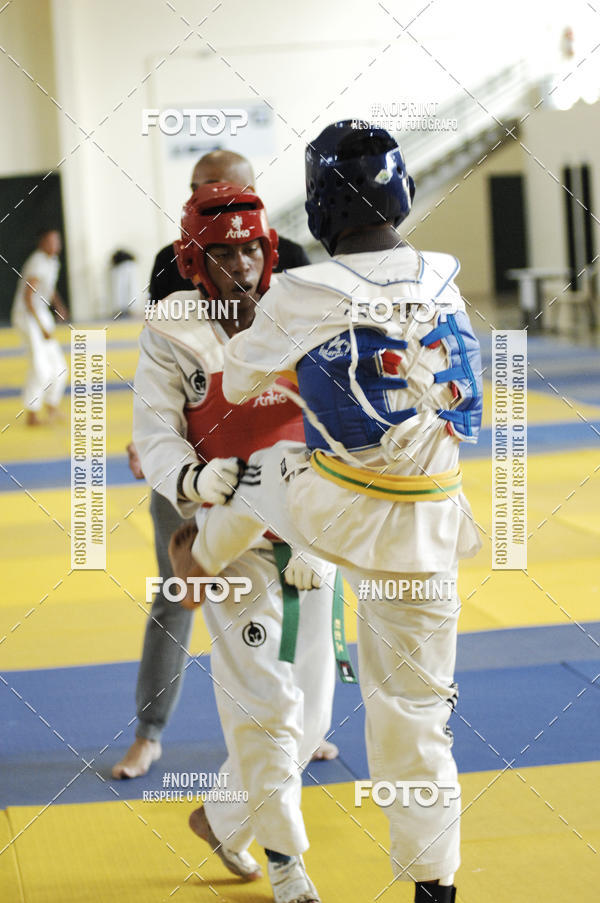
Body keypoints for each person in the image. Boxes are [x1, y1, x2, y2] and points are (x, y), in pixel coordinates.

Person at [170, 121, 484, 903]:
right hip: (433, 524)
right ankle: (435, 890)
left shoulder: (302, 290)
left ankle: (201, 551)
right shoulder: (446, 273)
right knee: (414, 719)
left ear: (316, 210)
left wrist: (301, 350)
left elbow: (238, 383)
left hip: (339, 509)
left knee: (268, 466)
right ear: (402, 190)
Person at [131, 181, 338, 903]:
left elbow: (333, 416)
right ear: (194, 261)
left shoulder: (303, 311)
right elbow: (152, 433)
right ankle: (288, 865)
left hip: (307, 528)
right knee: (267, 703)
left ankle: (221, 817)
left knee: (311, 715)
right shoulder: (169, 332)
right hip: (226, 535)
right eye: (224, 252)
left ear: (268, 250)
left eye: (252, 247)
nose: (242, 265)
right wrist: (191, 478)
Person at [148, 149, 309, 302]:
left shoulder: (292, 257)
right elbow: (157, 325)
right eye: (195, 189)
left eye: (212, 187)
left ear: (249, 191)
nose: (198, 197)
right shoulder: (169, 260)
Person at [11, 229, 69, 426]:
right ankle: (32, 414)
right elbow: (28, 297)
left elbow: (49, 288)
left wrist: (59, 305)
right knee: (40, 368)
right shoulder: (37, 262)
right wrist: (39, 326)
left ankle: (52, 406)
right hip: (28, 315)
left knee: (59, 367)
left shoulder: (52, 262)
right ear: (42, 243)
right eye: (51, 241)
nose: (56, 244)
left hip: (41, 313)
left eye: (57, 240)